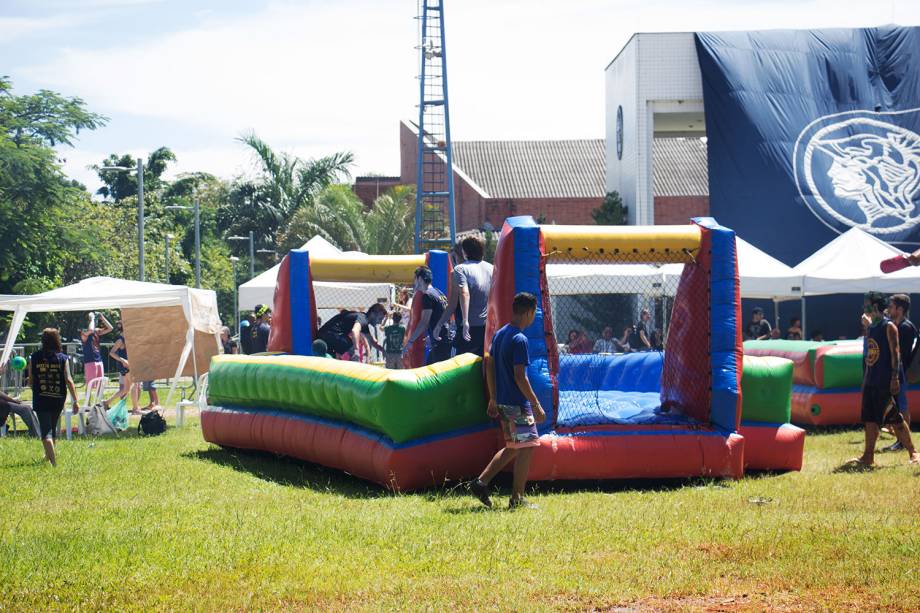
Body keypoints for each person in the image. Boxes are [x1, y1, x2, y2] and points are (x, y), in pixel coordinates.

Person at [469, 292, 545, 510]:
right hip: (517, 403)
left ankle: (481, 482)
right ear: (529, 312)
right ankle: (517, 499)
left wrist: (493, 397)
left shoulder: (500, 334)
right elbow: (520, 377)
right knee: (528, 446)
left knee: (513, 447)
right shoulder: (520, 339)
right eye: (534, 313)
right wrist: (536, 404)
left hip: (502, 401)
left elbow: (489, 365)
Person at [848, 292, 919, 468]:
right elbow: (870, 355)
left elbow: (896, 354)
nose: (865, 308)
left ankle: (914, 452)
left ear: (876, 306)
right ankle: (868, 456)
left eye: (867, 305)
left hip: (885, 380)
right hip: (872, 380)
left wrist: (895, 378)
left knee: (894, 417)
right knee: (870, 418)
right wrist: (865, 380)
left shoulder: (889, 327)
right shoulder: (872, 328)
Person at [434, 236, 494, 357]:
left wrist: (440, 324)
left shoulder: (460, 269)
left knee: (455, 365)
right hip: (486, 329)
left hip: (467, 329)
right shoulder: (491, 268)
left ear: (464, 252)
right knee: (483, 365)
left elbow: (460, 296)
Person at [29, 328, 79, 466]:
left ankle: (53, 463)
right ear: (57, 340)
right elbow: (69, 380)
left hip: (41, 397)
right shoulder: (63, 358)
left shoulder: (35, 357)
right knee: (52, 426)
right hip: (58, 398)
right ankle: (48, 455)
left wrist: (34, 388)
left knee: (46, 432)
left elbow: (31, 380)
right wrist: (75, 401)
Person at [884, 294, 917, 451]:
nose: (888, 310)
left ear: (900, 309)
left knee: (902, 407)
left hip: (901, 373)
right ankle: (900, 441)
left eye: (891, 307)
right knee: (897, 406)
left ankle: (904, 442)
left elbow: (900, 354)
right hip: (896, 372)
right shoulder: (898, 325)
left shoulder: (905, 327)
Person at [409, 266, 453, 365]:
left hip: (440, 342)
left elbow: (424, 322)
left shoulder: (427, 295)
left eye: (415, 279)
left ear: (420, 279)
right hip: (445, 339)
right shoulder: (438, 292)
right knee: (429, 372)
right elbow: (444, 316)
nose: (414, 282)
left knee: (436, 376)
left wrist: (411, 341)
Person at [317, 303, 387, 361]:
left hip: (323, 335)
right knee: (351, 345)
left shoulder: (364, 321)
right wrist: (356, 351)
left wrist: (383, 350)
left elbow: (371, 341)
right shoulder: (363, 319)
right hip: (331, 334)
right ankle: (355, 370)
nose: (380, 322)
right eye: (380, 318)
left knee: (331, 358)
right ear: (372, 314)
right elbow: (354, 331)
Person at [103, 321, 140, 414]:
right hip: (125, 366)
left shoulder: (127, 338)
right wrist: (122, 360)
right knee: (134, 385)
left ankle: (106, 402)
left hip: (128, 365)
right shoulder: (120, 340)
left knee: (125, 389)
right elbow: (111, 353)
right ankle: (135, 409)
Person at [80, 311, 113, 383]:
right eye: (93, 320)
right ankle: (87, 395)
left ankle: (98, 395)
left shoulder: (96, 331)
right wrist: (92, 318)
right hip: (90, 362)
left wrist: (102, 317)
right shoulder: (84, 332)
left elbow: (110, 328)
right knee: (90, 385)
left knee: (100, 385)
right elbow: (91, 330)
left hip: (99, 361)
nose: (95, 321)